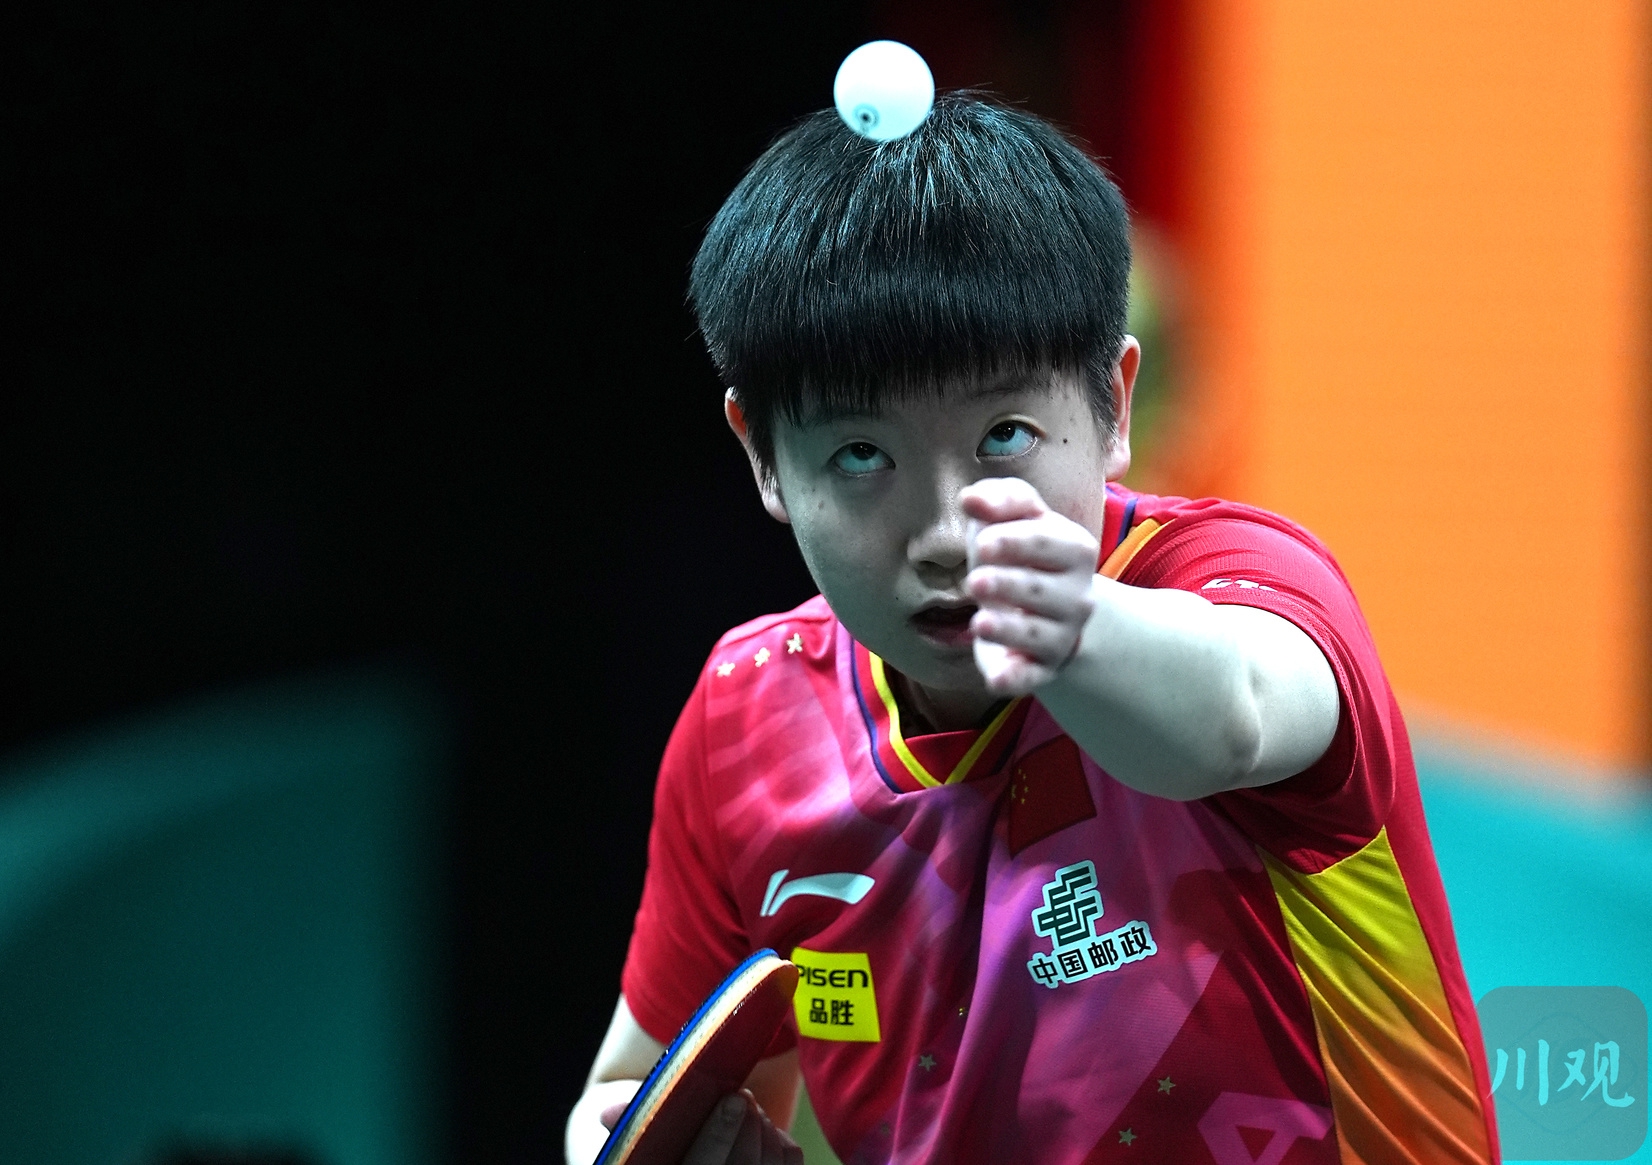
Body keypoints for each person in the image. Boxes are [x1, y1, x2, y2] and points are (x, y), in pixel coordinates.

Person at [565, 93, 1500, 1165]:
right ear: (764, 458)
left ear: (1114, 405)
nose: (945, 534)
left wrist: (1076, 629)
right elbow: (625, 1095)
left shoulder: (1238, 580)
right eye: (861, 456)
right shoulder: (749, 722)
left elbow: (1235, 718)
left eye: (1004, 435)